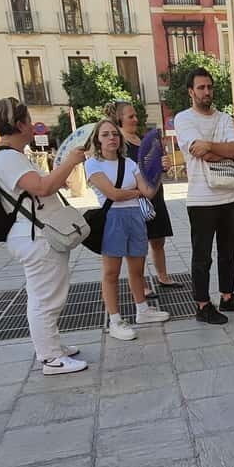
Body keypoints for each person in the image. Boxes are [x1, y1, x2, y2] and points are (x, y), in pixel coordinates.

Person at [0, 97, 88, 375]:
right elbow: (42, 188)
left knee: (48, 295)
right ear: (19, 124)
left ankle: (52, 347)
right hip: (35, 237)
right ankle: (51, 358)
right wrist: (69, 162)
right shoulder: (7, 158)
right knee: (46, 299)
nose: (32, 126)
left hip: (38, 234)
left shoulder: (13, 156)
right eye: (29, 121)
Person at [174, 66, 234, 325]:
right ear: (191, 91)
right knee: (202, 255)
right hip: (202, 199)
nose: (206, 91)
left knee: (228, 252)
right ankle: (203, 304)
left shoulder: (224, 118)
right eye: (201, 87)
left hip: (229, 196)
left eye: (209, 87)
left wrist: (211, 146)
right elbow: (200, 152)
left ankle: (227, 297)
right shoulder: (183, 119)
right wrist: (223, 151)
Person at [85, 119, 171, 341]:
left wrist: (158, 172)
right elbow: (113, 194)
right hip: (113, 218)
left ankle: (142, 310)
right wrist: (136, 193)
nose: (111, 137)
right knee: (111, 273)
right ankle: (115, 320)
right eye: (105, 135)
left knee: (137, 270)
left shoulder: (130, 163)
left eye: (114, 133)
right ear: (97, 140)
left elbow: (149, 191)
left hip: (135, 217)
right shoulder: (93, 164)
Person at [106, 101, 183, 295]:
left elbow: (157, 165)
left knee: (158, 239)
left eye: (135, 115)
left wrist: (164, 165)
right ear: (119, 119)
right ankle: (141, 285)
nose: (136, 119)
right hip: (135, 197)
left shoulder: (145, 140)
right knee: (138, 243)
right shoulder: (119, 145)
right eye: (131, 116)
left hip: (155, 195)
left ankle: (163, 277)